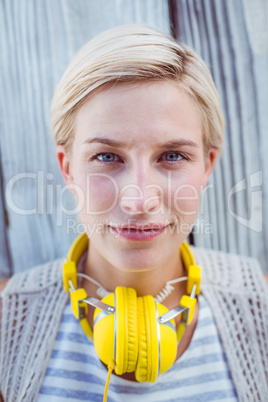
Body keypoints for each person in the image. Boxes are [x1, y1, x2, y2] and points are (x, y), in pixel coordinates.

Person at [0, 24, 267, 402]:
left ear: (207, 166)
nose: (139, 200)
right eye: (107, 156)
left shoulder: (261, 311)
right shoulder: (7, 323)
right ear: (68, 168)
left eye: (172, 156)